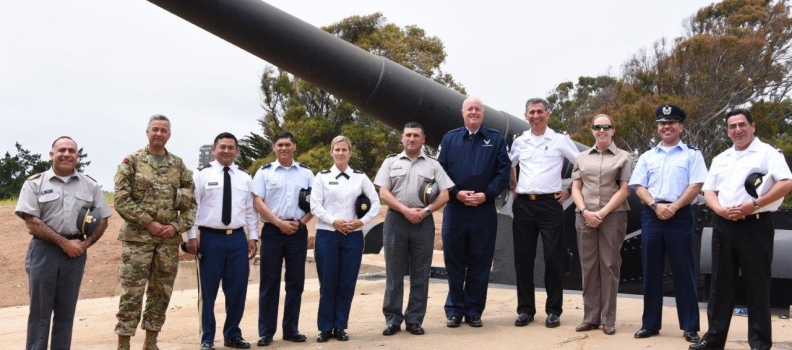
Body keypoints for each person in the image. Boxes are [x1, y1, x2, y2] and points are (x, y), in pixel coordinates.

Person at [691, 109, 792, 350]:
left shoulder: (768, 153)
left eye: (742, 125)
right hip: (723, 225)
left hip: (755, 225)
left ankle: (759, 344)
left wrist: (754, 204)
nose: (738, 130)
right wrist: (719, 210)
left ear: (753, 126)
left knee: (757, 286)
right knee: (720, 287)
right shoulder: (721, 157)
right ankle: (713, 341)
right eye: (732, 126)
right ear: (727, 131)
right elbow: (709, 191)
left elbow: (786, 182)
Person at [15, 136, 112, 350]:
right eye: (62, 150)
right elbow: (31, 220)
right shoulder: (35, 183)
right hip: (44, 250)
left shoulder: (90, 184)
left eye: (71, 151)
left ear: (77, 156)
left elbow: (104, 217)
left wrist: (84, 245)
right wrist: (63, 244)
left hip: (76, 253)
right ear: (52, 154)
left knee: (66, 312)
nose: (66, 154)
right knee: (40, 312)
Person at [114, 114, 198, 350]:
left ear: (169, 135)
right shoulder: (132, 161)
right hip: (137, 240)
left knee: (161, 292)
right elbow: (120, 199)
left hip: (167, 241)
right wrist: (148, 222)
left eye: (164, 130)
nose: (159, 133)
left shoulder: (179, 165)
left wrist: (177, 227)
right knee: (132, 291)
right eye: (155, 129)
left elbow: (191, 204)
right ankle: (123, 343)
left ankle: (151, 342)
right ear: (147, 132)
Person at [628, 104, 707, 343]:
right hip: (652, 215)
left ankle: (690, 325)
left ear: (680, 126)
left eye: (671, 122)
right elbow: (639, 186)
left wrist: (673, 207)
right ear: (658, 128)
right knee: (651, 271)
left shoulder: (692, 154)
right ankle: (650, 324)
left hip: (680, 215)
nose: (666, 127)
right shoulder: (647, 156)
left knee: (684, 271)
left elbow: (696, 185)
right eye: (662, 123)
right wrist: (655, 206)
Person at [374, 122, 454, 336]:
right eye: (408, 135)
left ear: (423, 139)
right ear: (402, 138)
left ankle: (415, 319)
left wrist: (425, 211)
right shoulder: (390, 162)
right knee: (394, 273)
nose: (411, 139)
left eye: (416, 135)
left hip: (423, 221)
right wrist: (404, 210)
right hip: (396, 220)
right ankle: (392, 319)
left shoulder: (433, 165)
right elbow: (383, 192)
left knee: (420, 272)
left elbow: (445, 194)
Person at [437, 96, 510, 328]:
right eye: (470, 109)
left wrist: (487, 194)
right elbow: (441, 171)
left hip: (484, 211)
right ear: (462, 112)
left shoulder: (496, 139)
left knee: (480, 261)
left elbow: (503, 171)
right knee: (455, 262)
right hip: (456, 210)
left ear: (483, 113)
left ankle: (474, 311)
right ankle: (455, 310)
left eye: (478, 109)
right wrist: (456, 193)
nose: (474, 112)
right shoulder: (449, 139)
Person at [509, 98, 579, 328]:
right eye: (531, 112)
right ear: (526, 115)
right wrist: (514, 186)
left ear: (547, 114)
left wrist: (570, 190)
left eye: (540, 111)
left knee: (553, 258)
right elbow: (510, 164)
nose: (536, 116)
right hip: (524, 206)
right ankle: (525, 310)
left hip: (550, 205)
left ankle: (553, 310)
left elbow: (582, 164)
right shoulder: (520, 142)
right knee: (523, 260)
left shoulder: (560, 140)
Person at [188, 132, 259, 350]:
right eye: (222, 147)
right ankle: (207, 338)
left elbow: (249, 210)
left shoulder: (245, 177)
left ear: (236, 151)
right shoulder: (201, 175)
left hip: (237, 238)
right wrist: (191, 237)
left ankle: (232, 335)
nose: (226, 151)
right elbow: (193, 208)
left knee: (237, 289)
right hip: (210, 239)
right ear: (214, 149)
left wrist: (253, 237)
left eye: (231, 147)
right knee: (208, 292)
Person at [310, 135, 381, 342]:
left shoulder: (360, 177)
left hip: (353, 236)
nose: (340, 153)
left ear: (350, 152)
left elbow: (376, 203)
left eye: (344, 150)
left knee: (346, 282)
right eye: (337, 150)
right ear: (331, 152)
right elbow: (315, 205)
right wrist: (333, 221)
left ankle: (340, 326)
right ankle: (325, 327)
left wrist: (361, 222)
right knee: (328, 282)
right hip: (328, 235)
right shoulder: (321, 177)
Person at [569, 114, 632, 335]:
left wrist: (602, 212)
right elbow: (575, 188)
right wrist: (586, 211)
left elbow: (625, 190)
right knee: (588, 267)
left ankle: (608, 319)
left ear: (613, 130)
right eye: (598, 127)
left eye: (606, 126)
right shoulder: (582, 157)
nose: (602, 130)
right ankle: (590, 317)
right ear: (592, 130)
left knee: (609, 266)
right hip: (584, 216)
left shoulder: (624, 157)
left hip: (612, 216)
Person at [251, 131, 314, 347]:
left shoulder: (306, 173)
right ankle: (266, 332)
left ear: (294, 146)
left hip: (298, 230)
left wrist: (302, 222)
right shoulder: (264, 172)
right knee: (269, 283)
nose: (284, 148)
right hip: (272, 232)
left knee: (295, 282)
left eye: (288, 144)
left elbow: (316, 202)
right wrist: (279, 223)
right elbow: (258, 202)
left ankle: (291, 329)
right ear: (273, 147)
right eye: (280, 145)